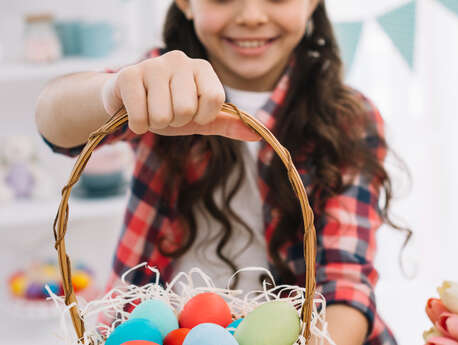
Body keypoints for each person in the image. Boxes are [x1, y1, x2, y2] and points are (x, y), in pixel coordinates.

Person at [36, 1, 402, 344]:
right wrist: (112, 93)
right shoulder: (161, 83)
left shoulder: (348, 119)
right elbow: (53, 123)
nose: (251, 16)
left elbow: (346, 283)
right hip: (157, 328)